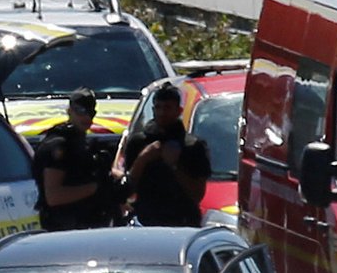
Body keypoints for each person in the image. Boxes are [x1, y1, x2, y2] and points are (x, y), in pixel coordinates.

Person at [119, 83, 211, 227]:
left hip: (182, 221)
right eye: (158, 107)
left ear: (179, 111)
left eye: (167, 108)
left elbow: (197, 195)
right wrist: (143, 159)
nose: (162, 113)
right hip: (146, 221)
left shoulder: (193, 146)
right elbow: (127, 189)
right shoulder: (138, 143)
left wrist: (174, 166)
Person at [33, 88, 118, 230]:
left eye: (90, 112)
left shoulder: (80, 143)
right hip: (63, 227)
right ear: (69, 111)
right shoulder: (59, 145)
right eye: (80, 111)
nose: (86, 117)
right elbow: (54, 196)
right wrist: (96, 188)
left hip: (87, 224)